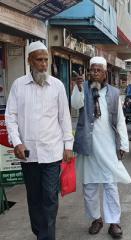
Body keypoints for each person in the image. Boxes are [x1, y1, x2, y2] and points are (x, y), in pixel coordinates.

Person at [5, 41, 74, 240]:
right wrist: (17, 142)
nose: (43, 64)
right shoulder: (19, 85)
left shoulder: (57, 86)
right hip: (29, 155)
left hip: (52, 153)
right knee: (34, 199)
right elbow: (11, 116)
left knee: (50, 199)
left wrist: (68, 145)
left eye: (46, 60)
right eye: (39, 60)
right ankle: (40, 233)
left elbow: (64, 118)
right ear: (29, 61)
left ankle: (46, 237)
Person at [71, 56, 131, 239]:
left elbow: (120, 120)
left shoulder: (113, 93)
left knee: (110, 185)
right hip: (88, 146)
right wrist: (79, 87)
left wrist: (123, 145)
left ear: (105, 73)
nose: (95, 73)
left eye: (98, 70)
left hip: (108, 146)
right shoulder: (83, 89)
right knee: (89, 186)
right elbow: (75, 105)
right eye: (92, 70)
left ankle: (114, 222)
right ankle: (96, 219)